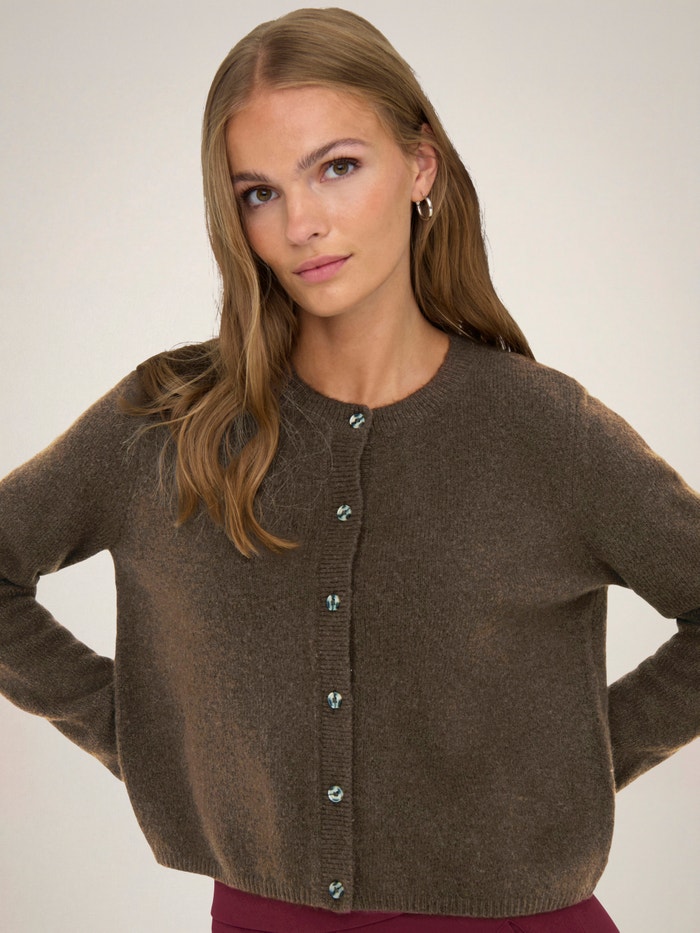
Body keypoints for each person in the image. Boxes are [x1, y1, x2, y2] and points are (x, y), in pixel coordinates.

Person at [0, 7, 698, 932]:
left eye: (337, 167)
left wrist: (575, 764)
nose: (302, 224)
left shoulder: (544, 432)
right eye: (260, 192)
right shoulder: (169, 420)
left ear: (420, 166)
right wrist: (149, 739)